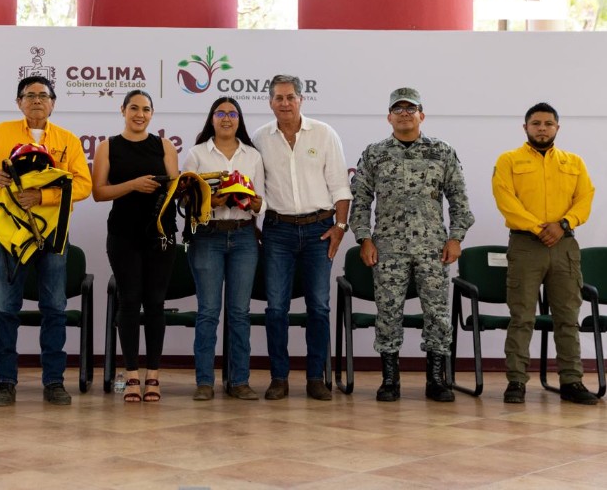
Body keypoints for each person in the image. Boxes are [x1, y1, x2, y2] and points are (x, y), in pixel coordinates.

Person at [349, 87, 474, 402]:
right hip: (388, 247)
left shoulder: (441, 151)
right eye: (398, 109)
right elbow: (360, 201)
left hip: (433, 247)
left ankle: (437, 379)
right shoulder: (375, 153)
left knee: (437, 312)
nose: (404, 113)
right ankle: (390, 380)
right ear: (389, 117)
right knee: (388, 311)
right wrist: (364, 238)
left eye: (410, 108)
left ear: (422, 115)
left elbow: (459, 200)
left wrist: (456, 237)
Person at [0, 76, 91, 406]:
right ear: (19, 103)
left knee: (55, 307)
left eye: (43, 95)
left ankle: (54, 381)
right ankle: (5, 381)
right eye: (29, 95)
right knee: (6, 307)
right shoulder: (1, 132)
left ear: (53, 103)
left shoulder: (67, 139)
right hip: (10, 232)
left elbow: (83, 185)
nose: (36, 101)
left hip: (53, 234)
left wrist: (42, 196)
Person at [252, 74, 352, 401]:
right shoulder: (259, 139)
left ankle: (315, 378)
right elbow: (253, 191)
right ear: (270, 102)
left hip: (318, 230)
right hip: (277, 231)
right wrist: (253, 227)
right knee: (276, 308)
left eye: (290, 97)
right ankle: (278, 378)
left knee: (319, 307)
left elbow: (340, 186)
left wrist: (340, 227)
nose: (285, 103)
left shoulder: (324, 134)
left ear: (301, 100)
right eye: (279, 98)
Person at [493, 102, 599, 405]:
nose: (542, 128)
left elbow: (585, 197)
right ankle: (516, 382)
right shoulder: (508, 160)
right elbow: (505, 199)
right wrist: (538, 227)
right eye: (536, 123)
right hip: (526, 245)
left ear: (557, 128)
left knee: (568, 317)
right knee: (522, 316)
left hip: (564, 246)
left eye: (548, 124)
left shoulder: (573, 162)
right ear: (525, 127)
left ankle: (571, 381)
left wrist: (563, 224)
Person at [93, 90, 178, 402]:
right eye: (134, 108)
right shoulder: (108, 146)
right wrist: (133, 185)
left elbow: (174, 187)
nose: (140, 114)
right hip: (123, 234)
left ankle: (153, 375)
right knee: (129, 302)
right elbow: (98, 193)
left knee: (155, 302)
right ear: (123, 111)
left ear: (152, 114)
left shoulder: (165, 146)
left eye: (145, 109)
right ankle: (130, 375)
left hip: (161, 234)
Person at [183, 97, 265, 401]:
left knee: (240, 313)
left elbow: (262, 201)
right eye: (220, 113)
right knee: (208, 312)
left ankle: (239, 381)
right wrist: (209, 201)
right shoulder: (197, 154)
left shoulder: (253, 155)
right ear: (212, 118)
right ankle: (204, 381)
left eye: (232, 113)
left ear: (239, 120)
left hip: (244, 237)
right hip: (208, 236)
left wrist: (255, 203)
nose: (226, 118)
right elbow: (185, 200)